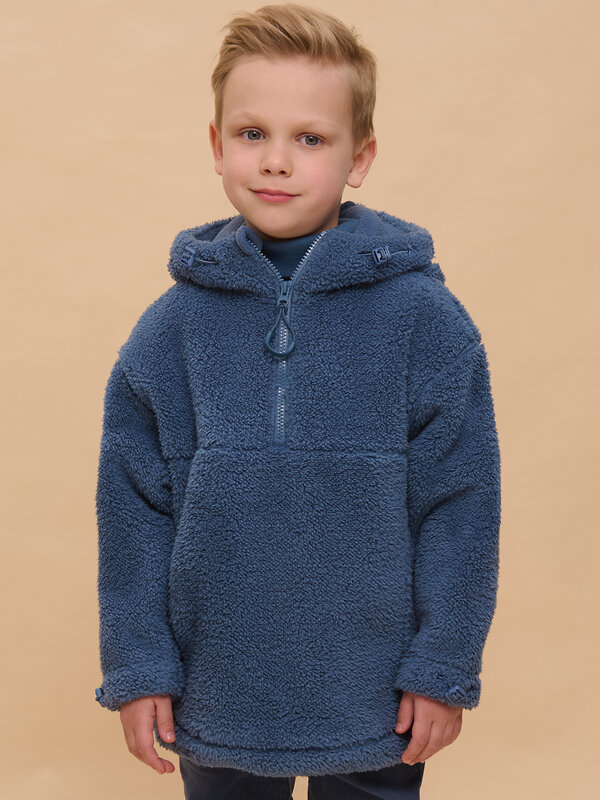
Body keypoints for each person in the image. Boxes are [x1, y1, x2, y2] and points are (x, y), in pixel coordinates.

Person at [94, 3, 501, 798]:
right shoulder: (169, 331)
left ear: (360, 156)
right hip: (216, 688)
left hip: (378, 692)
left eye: (310, 139)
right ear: (217, 146)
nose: (276, 161)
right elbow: (133, 510)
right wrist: (138, 665)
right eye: (253, 134)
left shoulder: (426, 322)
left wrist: (444, 664)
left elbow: (461, 505)